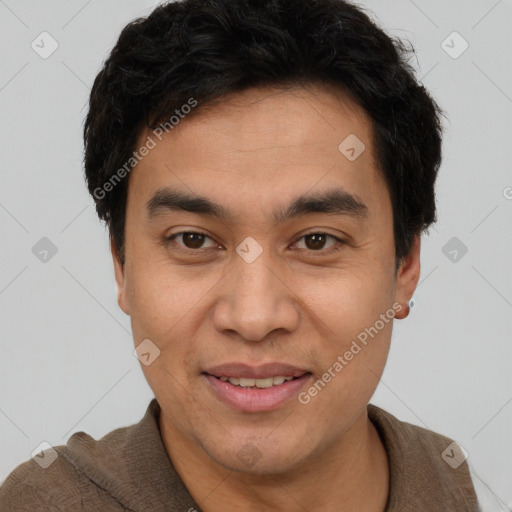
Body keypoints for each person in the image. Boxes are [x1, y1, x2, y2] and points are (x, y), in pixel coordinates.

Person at [0, 0, 481, 510]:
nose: (253, 318)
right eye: (193, 240)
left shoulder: (439, 475)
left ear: (404, 264)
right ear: (122, 264)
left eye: (317, 240)